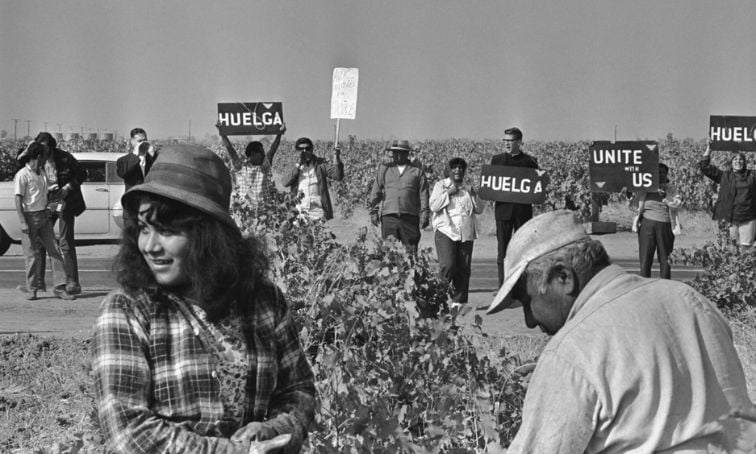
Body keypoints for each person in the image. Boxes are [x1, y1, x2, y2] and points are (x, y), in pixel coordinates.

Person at [92, 144, 317, 454]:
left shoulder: (263, 302)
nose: (150, 246)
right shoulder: (128, 311)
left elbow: (298, 390)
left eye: (168, 231)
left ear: (208, 235)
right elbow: (130, 432)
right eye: (144, 229)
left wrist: (274, 430)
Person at [486, 210, 753, 453]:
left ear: (562, 277)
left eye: (526, 300)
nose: (529, 320)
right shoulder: (688, 299)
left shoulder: (570, 353)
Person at [14, 143, 74, 300]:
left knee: (54, 250)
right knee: (32, 255)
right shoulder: (22, 175)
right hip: (29, 217)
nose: (46, 161)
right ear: (39, 156)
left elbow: (47, 194)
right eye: (44, 157)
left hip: (44, 216)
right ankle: (32, 288)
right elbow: (18, 199)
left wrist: (55, 205)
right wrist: (22, 222)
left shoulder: (41, 173)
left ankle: (60, 287)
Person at [34, 132, 87, 295]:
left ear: (51, 146)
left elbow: (82, 174)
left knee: (65, 241)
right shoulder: (36, 158)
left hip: (66, 201)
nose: (43, 151)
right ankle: (38, 282)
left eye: (45, 147)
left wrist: (68, 187)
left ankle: (72, 282)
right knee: (42, 239)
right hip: (47, 202)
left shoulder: (65, 158)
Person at [429, 157, 483, 305]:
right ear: (449, 170)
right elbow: (433, 206)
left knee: (463, 269)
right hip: (446, 231)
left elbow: (479, 209)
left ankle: (459, 303)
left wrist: (474, 195)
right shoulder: (441, 185)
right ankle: (437, 298)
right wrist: (449, 193)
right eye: (454, 167)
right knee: (448, 265)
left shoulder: (467, 189)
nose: (458, 170)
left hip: (466, 233)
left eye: (461, 168)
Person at [490, 127, 538, 287]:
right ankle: (503, 287)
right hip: (503, 213)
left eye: (510, 141)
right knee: (502, 251)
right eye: (505, 141)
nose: (507, 144)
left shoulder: (530, 162)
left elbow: (536, 187)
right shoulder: (496, 161)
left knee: (523, 250)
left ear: (519, 142)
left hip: (522, 214)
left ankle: (521, 285)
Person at [368, 139, 430, 254]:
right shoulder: (385, 169)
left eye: (401, 152)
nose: (398, 155)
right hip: (389, 217)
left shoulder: (417, 171)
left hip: (410, 217)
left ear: (407, 154)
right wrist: (373, 211)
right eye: (395, 152)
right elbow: (376, 191)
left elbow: (423, 193)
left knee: (411, 253)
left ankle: (411, 272)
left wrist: (425, 213)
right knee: (388, 253)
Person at [628, 163, 682, 279]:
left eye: (663, 173)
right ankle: (644, 282)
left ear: (667, 175)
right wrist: (629, 195)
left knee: (665, 257)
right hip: (647, 224)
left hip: (665, 225)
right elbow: (633, 206)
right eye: (658, 172)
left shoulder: (671, 188)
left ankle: (665, 283)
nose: (661, 175)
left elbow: (677, 205)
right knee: (646, 257)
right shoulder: (644, 188)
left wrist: (666, 197)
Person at [216, 122, 285, 208]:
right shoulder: (242, 167)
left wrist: (279, 134)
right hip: (246, 209)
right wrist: (223, 134)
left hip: (264, 208)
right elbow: (230, 150)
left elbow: (272, 150)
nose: (263, 154)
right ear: (253, 154)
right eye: (260, 152)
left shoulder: (264, 166)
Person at [699, 142, 756, 247]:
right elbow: (704, 167)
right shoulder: (724, 176)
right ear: (731, 162)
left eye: (741, 159)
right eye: (735, 159)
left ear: (744, 162)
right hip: (728, 218)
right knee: (730, 248)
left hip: (748, 217)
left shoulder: (752, 175)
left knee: (746, 248)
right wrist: (709, 148)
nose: (738, 162)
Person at [282, 137, 344, 220]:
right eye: (301, 149)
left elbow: (338, 176)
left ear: (312, 149)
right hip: (299, 210)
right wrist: (298, 165)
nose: (305, 151)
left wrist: (337, 157)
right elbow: (285, 182)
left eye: (307, 148)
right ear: (297, 151)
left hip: (318, 211)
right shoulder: (293, 165)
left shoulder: (320, 164)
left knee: (319, 232)